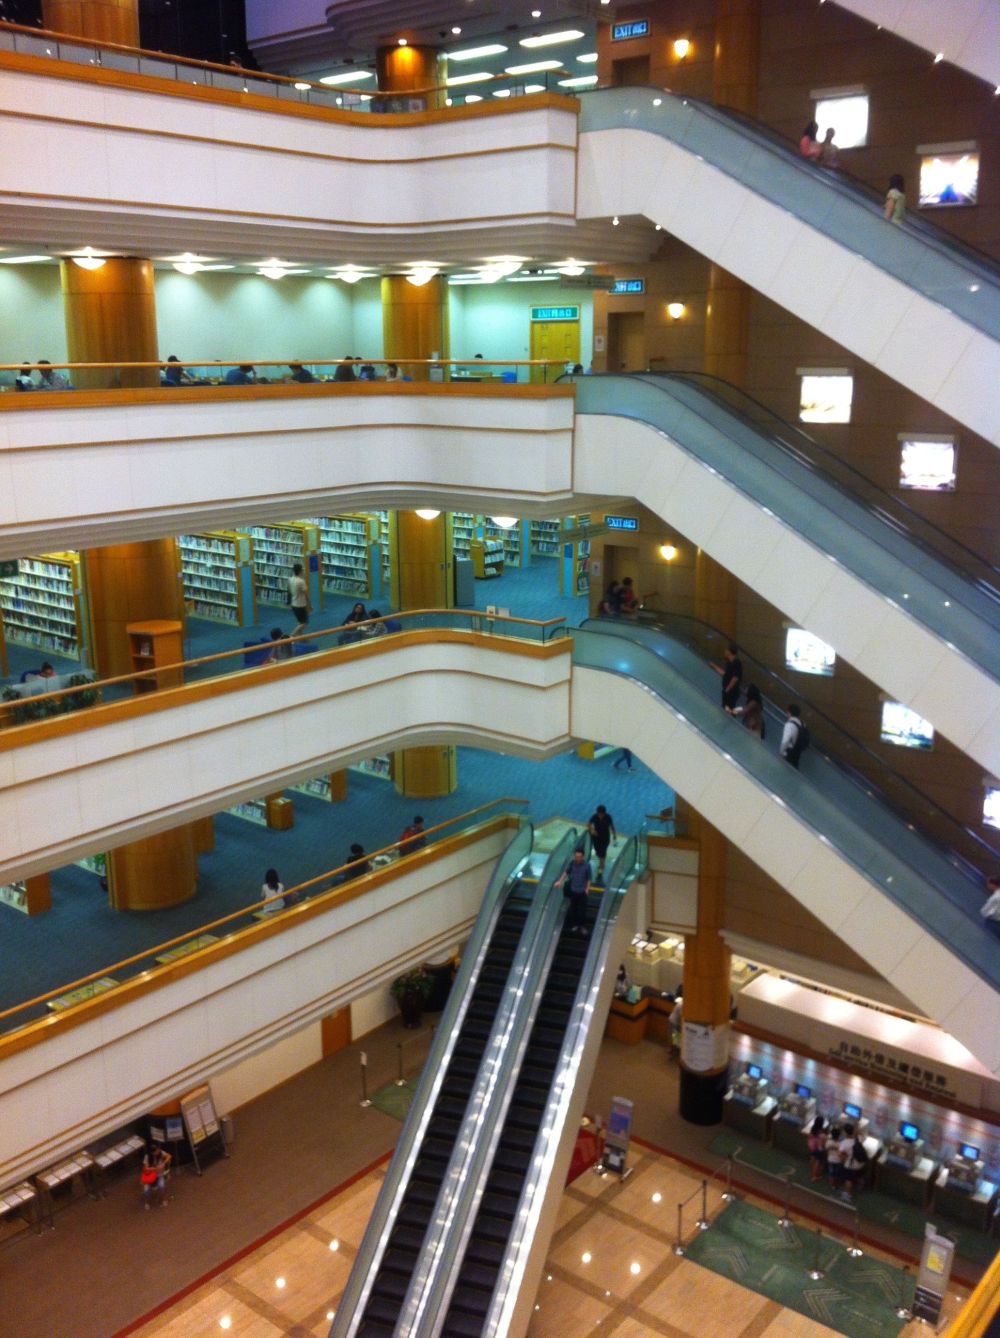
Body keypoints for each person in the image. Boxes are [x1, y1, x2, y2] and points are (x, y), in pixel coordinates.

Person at [555, 847, 592, 936]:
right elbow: (566, 872)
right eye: (576, 857)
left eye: (579, 857)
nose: (577, 859)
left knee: (582, 910)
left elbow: (589, 878)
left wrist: (587, 889)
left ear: (583, 857)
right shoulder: (572, 863)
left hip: (582, 892)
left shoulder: (587, 866)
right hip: (574, 890)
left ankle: (582, 926)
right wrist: (560, 881)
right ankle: (575, 925)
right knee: (573, 909)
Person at [588, 804, 617, 881]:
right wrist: (592, 830)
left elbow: (612, 826)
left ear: (604, 813)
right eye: (599, 814)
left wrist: (614, 835)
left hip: (605, 838)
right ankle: (601, 860)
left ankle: (601, 864)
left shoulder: (608, 817)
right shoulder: (595, 816)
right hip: (596, 837)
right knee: (598, 851)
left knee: (603, 851)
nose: (600, 815)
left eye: (601, 814)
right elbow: (589, 824)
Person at [140, 1143, 171, 1208]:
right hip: (150, 1176)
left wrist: (163, 1163)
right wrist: (153, 1169)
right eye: (156, 1151)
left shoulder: (161, 1153)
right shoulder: (147, 1156)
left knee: (161, 1186)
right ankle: (147, 1202)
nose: (158, 1151)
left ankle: (163, 1200)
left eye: (158, 1150)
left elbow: (169, 1156)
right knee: (146, 1190)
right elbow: (145, 1168)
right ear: (152, 1152)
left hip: (159, 1175)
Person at [780, 704, 806, 768]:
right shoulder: (802, 725)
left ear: (789, 712)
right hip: (797, 755)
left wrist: (781, 752)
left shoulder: (790, 725)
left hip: (788, 754)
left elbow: (786, 740)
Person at [288, 562, 310, 635]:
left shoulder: (290, 579)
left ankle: (301, 637)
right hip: (301, 605)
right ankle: (292, 635)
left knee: (300, 622)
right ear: (300, 571)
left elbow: (290, 591)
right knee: (304, 623)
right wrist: (309, 605)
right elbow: (306, 594)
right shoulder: (301, 581)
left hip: (294, 604)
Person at [720, 644, 743, 711]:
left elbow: (735, 678)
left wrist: (727, 690)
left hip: (731, 692)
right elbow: (726, 674)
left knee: (728, 709)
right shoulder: (729, 663)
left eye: (726, 650)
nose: (725, 651)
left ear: (729, 652)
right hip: (728, 690)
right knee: (725, 708)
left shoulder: (737, 663)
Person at [807, 1115, 827, 1182]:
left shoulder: (813, 1128)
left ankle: (811, 1171)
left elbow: (810, 1136)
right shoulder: (821, 1131)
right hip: (819, 1148)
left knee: (812, 1158)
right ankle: (814, 1176)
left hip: (813, 1147)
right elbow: (823, 1140)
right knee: (817, 1162)